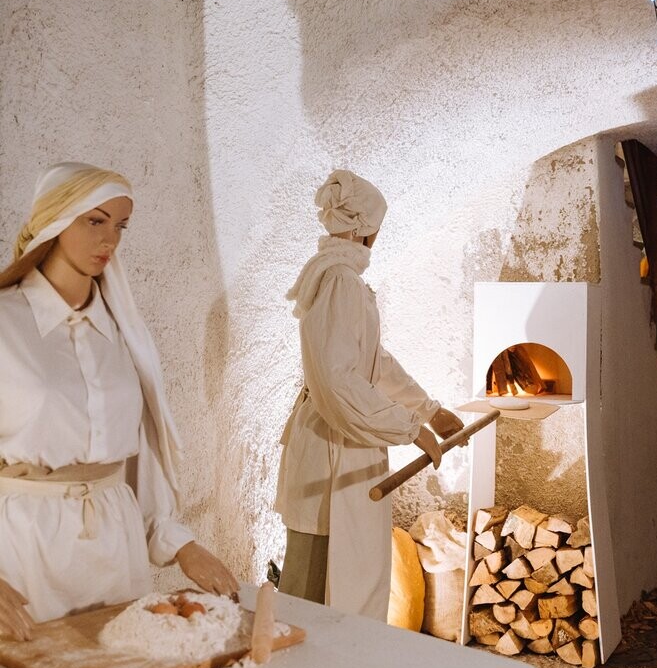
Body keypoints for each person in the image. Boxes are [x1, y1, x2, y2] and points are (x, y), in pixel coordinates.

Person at [0, 162, 238, 641]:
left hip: (116, 547)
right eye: (95, 220)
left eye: (121, 225)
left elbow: (140, 455)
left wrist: (180, 544)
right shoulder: (6, 323)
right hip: (24, 549)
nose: (109, 239)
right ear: (55, 220)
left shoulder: (124, 332)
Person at [276, 169, 464, 621]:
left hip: (346, 443)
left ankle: (332, 660)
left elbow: (374, 362)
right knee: (315, 590)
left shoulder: (340, 279)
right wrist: (410, 428)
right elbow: (338, 380)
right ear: (366, 229)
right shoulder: (340, 281)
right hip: (333, 449)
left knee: (341, 584)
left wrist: (430, 411)